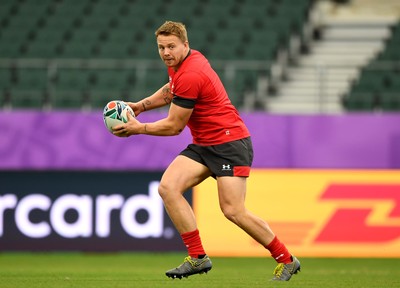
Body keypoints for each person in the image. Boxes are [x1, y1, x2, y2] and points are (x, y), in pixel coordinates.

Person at [113, 21, 300, 281]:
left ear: (185, 45)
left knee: (233, 210)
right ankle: (198, 257)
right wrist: (142, 105)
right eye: (161, 47)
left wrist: (137, 127)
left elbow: (174, 126)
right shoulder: (184, 63)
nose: (166, 52)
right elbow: (171, 90)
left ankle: (287, 259)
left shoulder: (191, 74)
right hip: (204, 144)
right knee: (168, 188)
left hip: (230, 145)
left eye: (171, 46)